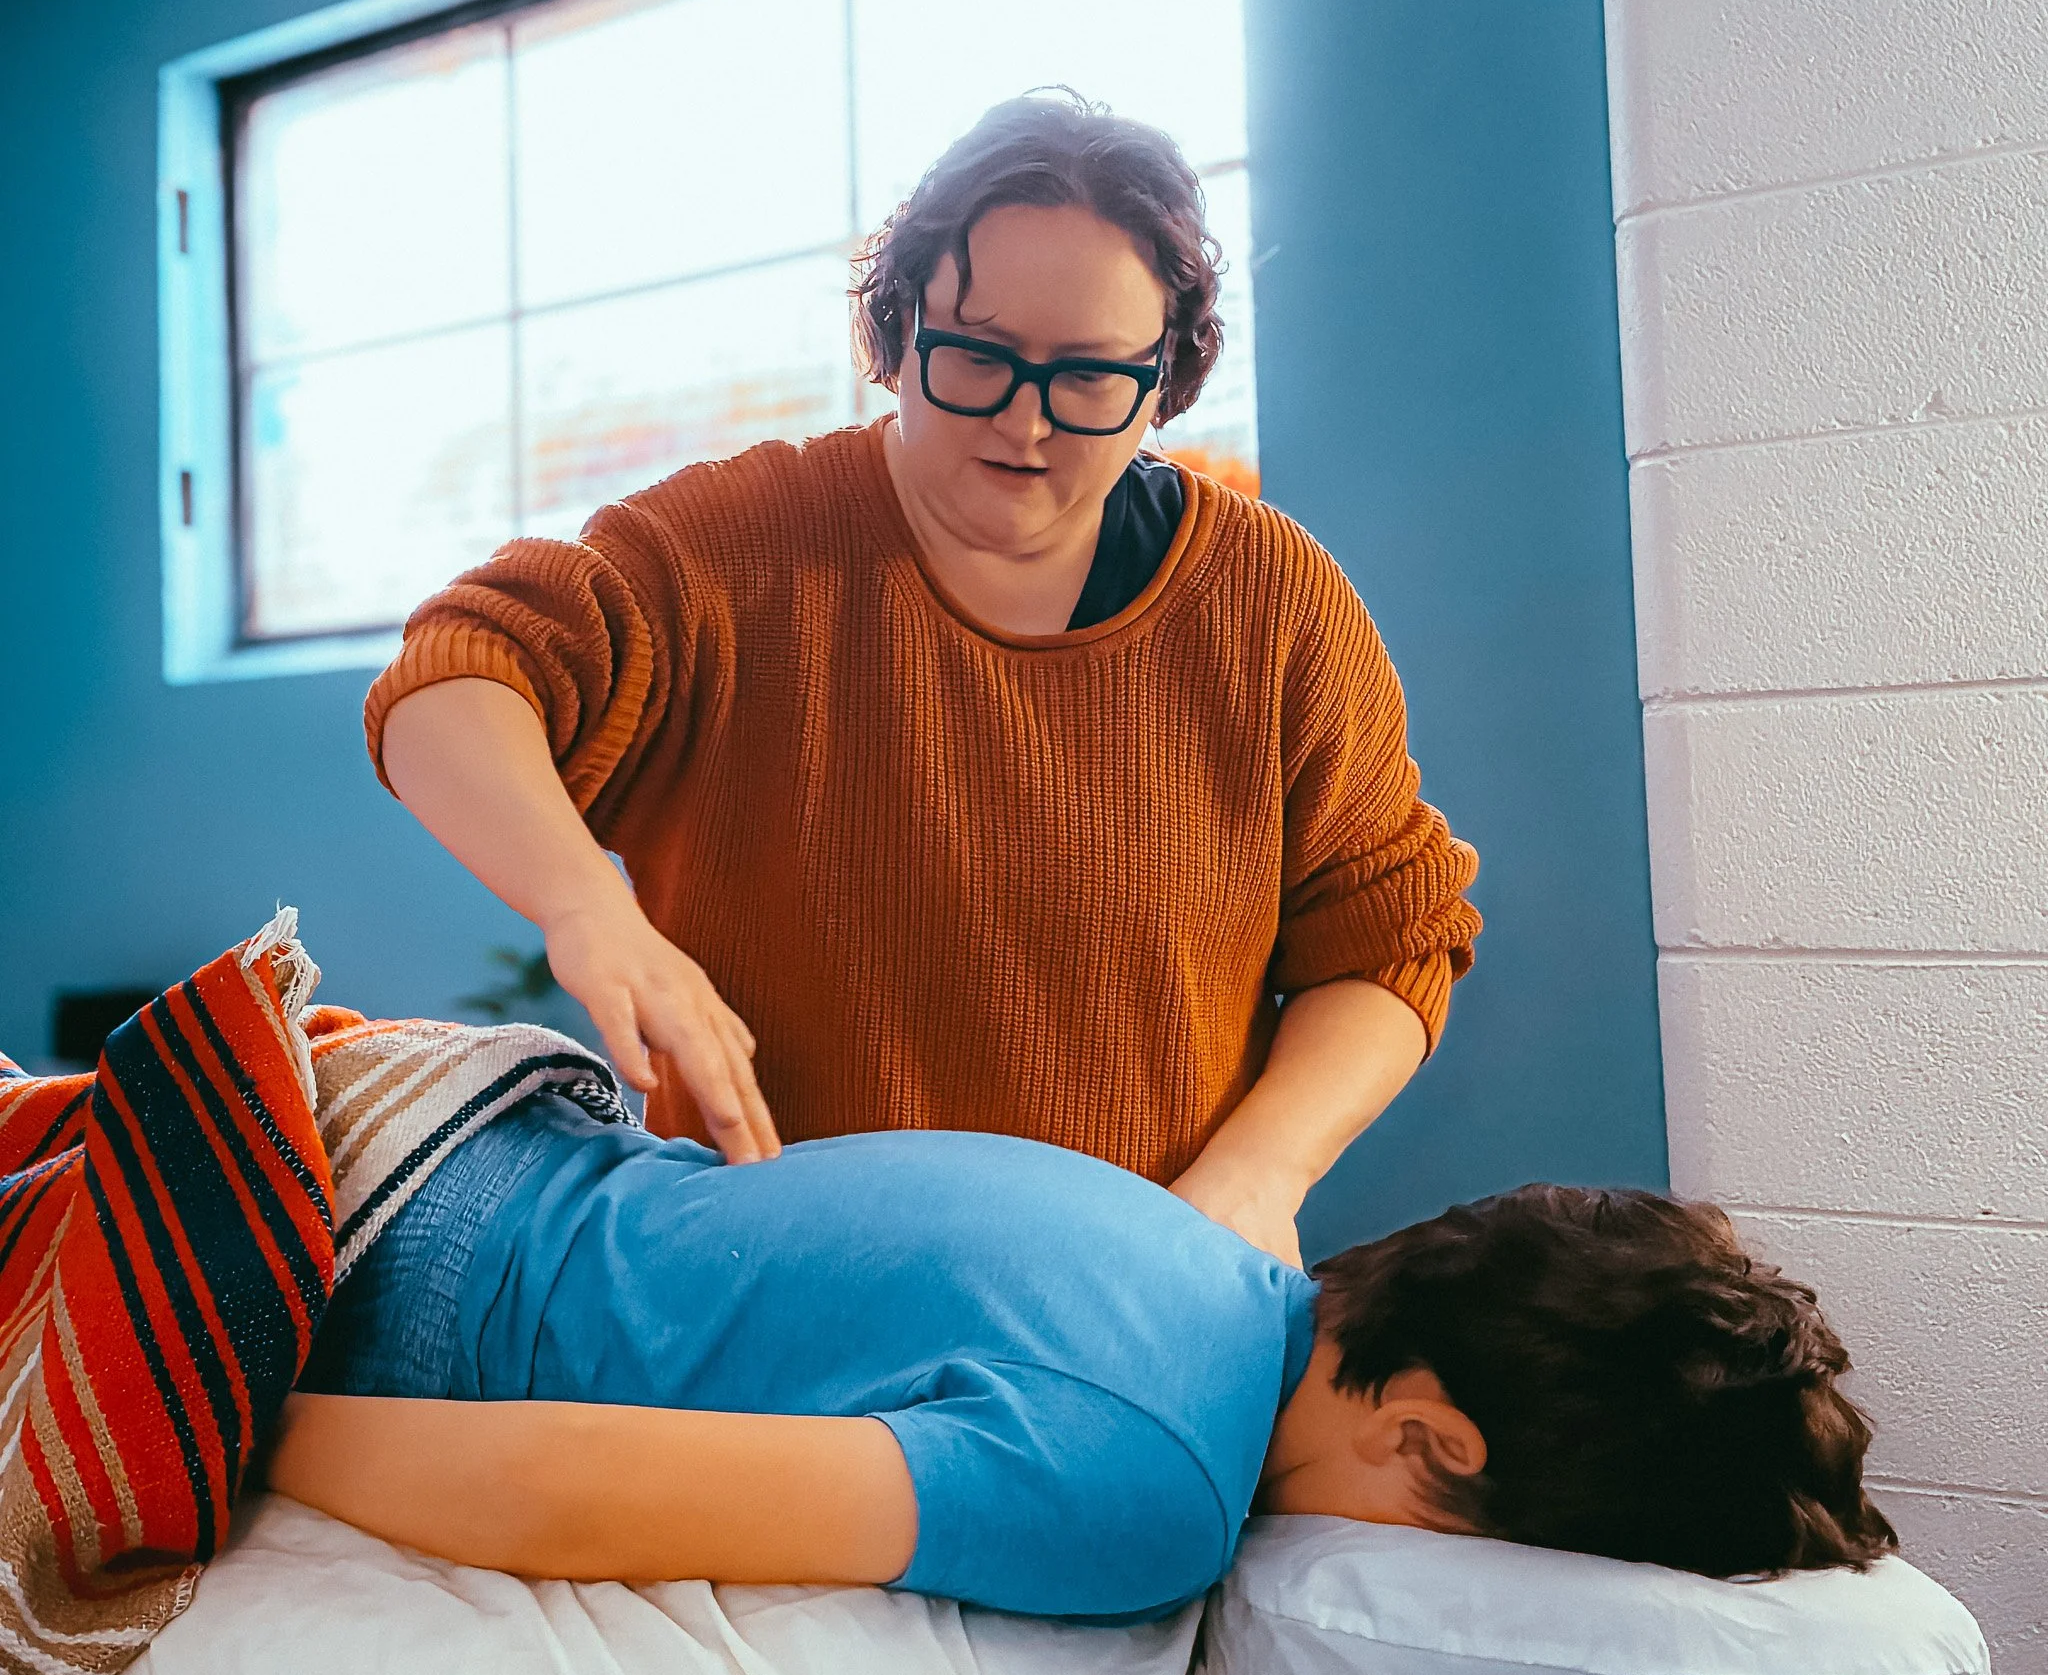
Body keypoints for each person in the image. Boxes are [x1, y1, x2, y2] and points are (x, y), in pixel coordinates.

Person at [362, 91, 1482, 1267]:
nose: (1024, 422)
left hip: (1149, 1292)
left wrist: (1256, 1176)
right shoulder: (734, 551)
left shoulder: (1269, 602)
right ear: (897, 335)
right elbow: (457, 675)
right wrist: (583, 910)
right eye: (977, 357)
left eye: (1088, 377)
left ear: (1165, 378)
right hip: (766, 1289)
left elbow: (1386, 941)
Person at [270, 1096, 1895, 1621]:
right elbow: (566, 1487)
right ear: (1430, 1439)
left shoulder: (1177, 1244)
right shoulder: (1153, 1485)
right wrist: (236, 1452)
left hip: (470, 1129)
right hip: (396, 1283)